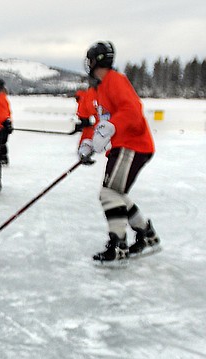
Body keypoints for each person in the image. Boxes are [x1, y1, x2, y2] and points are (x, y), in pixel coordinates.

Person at [78, 41, 160, 264]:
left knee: (109, 193)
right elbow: (101, 121)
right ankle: (146, 235)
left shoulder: (115, 81)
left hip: (133, 145)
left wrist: (112, 126)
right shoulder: (100, 88)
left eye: (91, 59)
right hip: (123, 147)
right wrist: (87, 142)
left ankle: (119, 244)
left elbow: (132, 111)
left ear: (97, 60)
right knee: (117, 194)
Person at [0, 78, 12, 165]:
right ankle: (2, 157)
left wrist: (7, 122)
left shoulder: (2, 97)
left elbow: (4, 111)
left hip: (3, 123)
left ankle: (3, 157)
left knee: (1, 142)